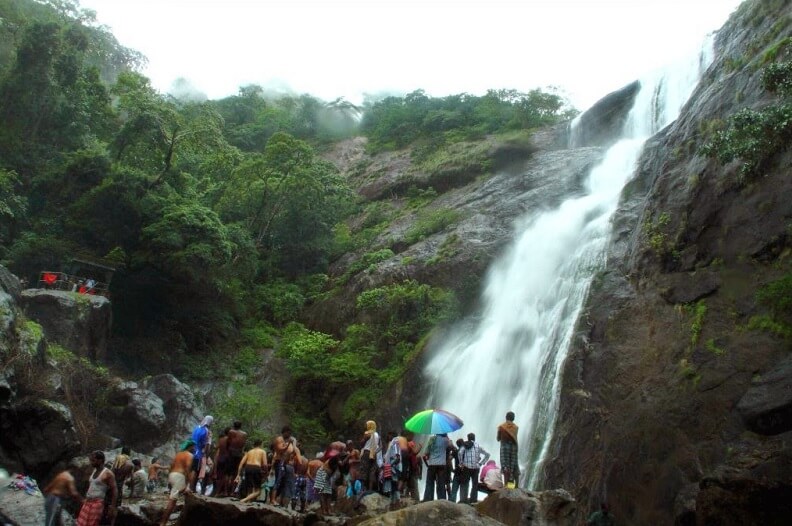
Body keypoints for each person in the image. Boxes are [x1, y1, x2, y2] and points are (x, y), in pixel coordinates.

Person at [77, 451, 117, 526]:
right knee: (80, 523)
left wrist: (112, 507)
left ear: (100, 460)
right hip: (87, 502)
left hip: (97, 503)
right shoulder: (94, 471)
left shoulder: (108, 473)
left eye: (93, 460)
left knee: (92, 524)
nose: (91, 462)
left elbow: (114, 490)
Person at [160, 440, 195, 526]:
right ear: (190, 447)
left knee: (184, 494)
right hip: (179, 476)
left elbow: (171, 466)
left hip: (172, 475)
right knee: (172, 501)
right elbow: (188, 468)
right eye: (194, 447)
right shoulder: (189, 455)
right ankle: (163, 523)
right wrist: (189, 484)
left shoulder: (178, 454)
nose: (195, 449)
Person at [458, 432, 490, 503]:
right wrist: (481, 463)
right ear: (474, 438)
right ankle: (473, 500)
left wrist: (461, 463)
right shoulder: (478, 446)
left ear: (468, 438)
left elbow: (460, 453)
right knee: (474, 484)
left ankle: (463, 499)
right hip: (476, 468)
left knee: (465, 483)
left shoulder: (465, 445)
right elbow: (487, 454)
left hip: (466, 467)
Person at [235, 438, 268, 504]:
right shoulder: (262, 451)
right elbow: (265, 464)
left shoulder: (249, 451)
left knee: (249, 488)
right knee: (258, 491)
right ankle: (244, 500)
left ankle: (248, 502)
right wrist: (266, 473)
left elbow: (241, 463)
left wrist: (238, 474)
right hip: (256, 468)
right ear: (261, 444)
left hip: (248, 468)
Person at [422, 433, 451, 501]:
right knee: (441, 482)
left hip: (432, 464)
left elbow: (426, 452)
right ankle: (442, 499)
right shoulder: (446, 440)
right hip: (441, 465)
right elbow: (450, 446)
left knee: (430, 482)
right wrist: (447, 437)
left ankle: (428, 499)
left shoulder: (432, 439)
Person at [190, 415, 213, 491]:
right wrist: (206, 454)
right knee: (195, 470)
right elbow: (206, 445)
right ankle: (191, 488)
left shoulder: (197, 428)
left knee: (191, 469)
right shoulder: (206, 431)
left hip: (192, 450)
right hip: (198, 453)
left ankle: (189, 486)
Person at [497, 411, 519, 486]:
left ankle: (506, 486)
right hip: (513, 448)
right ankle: (515, 486)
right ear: (513, 418)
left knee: (505, 466)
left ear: (506, 417)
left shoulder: (501, 427)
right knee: (514, 465)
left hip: (504, 447)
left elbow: (498, 438)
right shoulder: (516, 427)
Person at [359, 420, 381, 491]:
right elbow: (381, 446)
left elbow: (361, 444)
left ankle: (363, 489)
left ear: (370, 426)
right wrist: (375, 452)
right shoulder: (377, 435)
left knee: (364, 470)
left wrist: (363, 439)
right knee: (372, 471)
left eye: (367, 425)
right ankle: (370, 489)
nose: (365, 426)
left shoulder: (367, 433)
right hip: (373, 455)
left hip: (366, 453)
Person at [211, 427, 231, 497]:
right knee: (225, 475)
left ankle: (220, 491)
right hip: (226, 458)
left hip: (220, 459)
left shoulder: (221, 439)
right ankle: (221, 492)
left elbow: (216, 447)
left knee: (220, 476)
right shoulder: (229, 440)